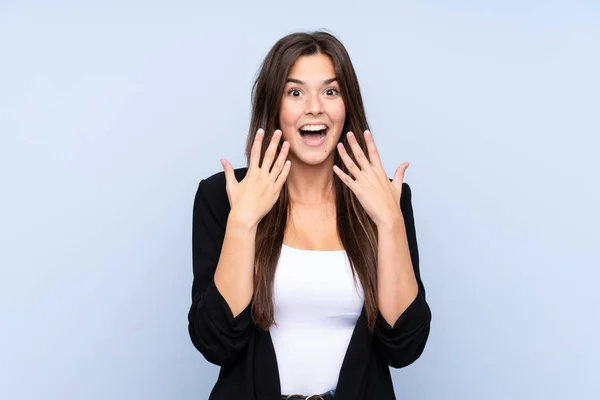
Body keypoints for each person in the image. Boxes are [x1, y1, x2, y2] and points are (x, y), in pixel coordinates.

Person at [187, 30, 432, 400]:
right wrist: (242, 223)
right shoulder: (223, 196)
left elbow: (404, 347)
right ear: (275, 105)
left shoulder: (385, 198)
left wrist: (390, 221)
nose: (314, 107)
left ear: (347, 104)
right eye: (295, 92)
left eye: (330, 91)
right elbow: (215, 343)